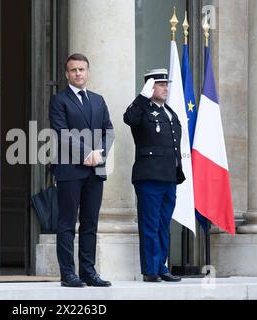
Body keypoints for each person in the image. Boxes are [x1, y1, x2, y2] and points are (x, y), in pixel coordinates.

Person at [49, 53, 114, 287]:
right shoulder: (59, 100)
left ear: (88, 72)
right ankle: (68, 273)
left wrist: (100, 154)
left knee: (90, 223)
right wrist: (87, 153)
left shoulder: (98, 100)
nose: (78, 73)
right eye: (73, 70)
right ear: (67, 74)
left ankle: (88, 272)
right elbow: (61, 132)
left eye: (82, 69)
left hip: (95, 170)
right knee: (67, 223)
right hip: (69, 170)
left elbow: (109, 130)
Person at [123, 69, 185, 282]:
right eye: (160, 84)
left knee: (163, 224)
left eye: (166, 84)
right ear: (150, 87)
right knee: (149, 224)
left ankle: (161, 267)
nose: (165, 87)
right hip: (149, 176)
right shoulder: (142, 109)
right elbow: (129, 119)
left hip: (169, 176)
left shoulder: (170, 112)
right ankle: (150, 270)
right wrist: (141, 97)